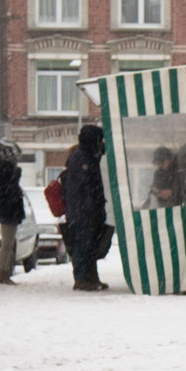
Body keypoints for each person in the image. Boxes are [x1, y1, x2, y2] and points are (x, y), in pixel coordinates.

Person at [61, 124, 111, 291]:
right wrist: (92, 204)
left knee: (90, 246)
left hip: (87, 209)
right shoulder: (82, 157)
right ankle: (82, 278)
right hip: (83, 210)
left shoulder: (86, 155)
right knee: (83, 245)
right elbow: (85, 184)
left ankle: (90, 277)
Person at [0, 141, 27, 286]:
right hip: (8, 210)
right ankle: (2, 272)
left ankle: (5, 271)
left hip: (9, 209)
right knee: (7, 243)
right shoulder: (4, 169)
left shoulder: (1, 169)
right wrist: (16, 174)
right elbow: (8, 189)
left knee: (9, 243)